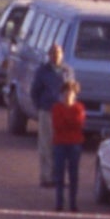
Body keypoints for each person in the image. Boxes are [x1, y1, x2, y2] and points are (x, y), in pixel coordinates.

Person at [32, 41, 67, 187]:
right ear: (49, 55)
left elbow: (72, 90)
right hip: (47, 111)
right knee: (46, 145)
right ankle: (46, 177)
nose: (56, 56)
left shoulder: (67, 71)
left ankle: (59, 177)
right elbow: (35, 91)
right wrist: (40, 107)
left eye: (58, 53)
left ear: (62, 55)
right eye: (53, 53)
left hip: (63, 113)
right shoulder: (42, 71)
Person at [50, 79, 86, 212]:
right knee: (59, 175)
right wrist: (70, 121)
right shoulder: (56, 108)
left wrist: (66, 120)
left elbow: (79, 124)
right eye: (66, 92)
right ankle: (59, 203)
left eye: (71, 93)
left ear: (75, 94)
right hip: (60, 143)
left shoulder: (79, 108)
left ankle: (73, 203)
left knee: (73, 175)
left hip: (74, 144)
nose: (68, 95)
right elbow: (57, 125)